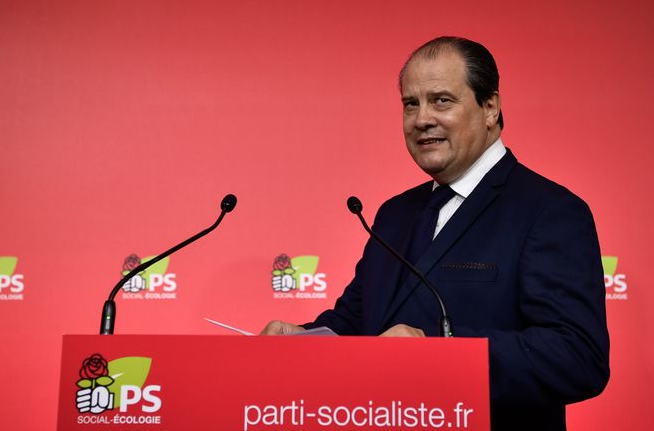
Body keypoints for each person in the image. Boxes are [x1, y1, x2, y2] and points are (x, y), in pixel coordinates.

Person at [261, 36, 609, 430]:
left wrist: (440, 353)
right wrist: (302, 340)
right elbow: (357, 321)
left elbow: (577, 357)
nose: (422, 118)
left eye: (441, 100)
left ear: (490, 107)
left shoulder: (550, 211)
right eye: (411, 104)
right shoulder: (394, 214)